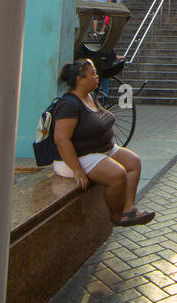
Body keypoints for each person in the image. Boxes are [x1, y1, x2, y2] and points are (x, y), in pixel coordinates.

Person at [52, 59, 155, 227]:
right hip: (79, 156)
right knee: (117, 174)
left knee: (134, 162)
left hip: (101, 149)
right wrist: (77, 170)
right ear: (80, 79)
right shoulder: (69, 105)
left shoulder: (90, 97)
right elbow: (61, 140)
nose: (97, 77)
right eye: (93, 74)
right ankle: (116, 215)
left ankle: (129, 209)